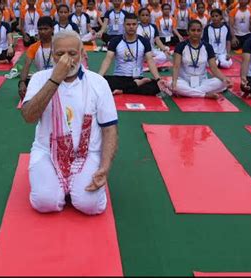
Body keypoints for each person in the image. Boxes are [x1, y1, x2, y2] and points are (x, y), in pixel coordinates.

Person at [21, 30, 118, 215]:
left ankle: (73, 184)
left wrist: (104, 168)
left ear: (82, 54)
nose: (67, 59)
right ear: (52, 55)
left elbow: (109, 129)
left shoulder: (98, 83)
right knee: (44, 203)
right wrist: (55, 79)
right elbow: (29, 117)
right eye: (60, 54)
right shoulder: (40, 78)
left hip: (87, 154)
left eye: (72, 53)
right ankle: (57, 185)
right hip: (48, 153)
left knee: (89, 206)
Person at [99, 13, 167, 95]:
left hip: (137, 76)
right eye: (128, 24)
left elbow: (150, 61)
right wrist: (99, 77)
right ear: (124, 25)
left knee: (156, 86)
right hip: (119, 77)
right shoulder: (115, 41)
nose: (131, 27)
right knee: (103, 82)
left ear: (137, 25)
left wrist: (158, 79)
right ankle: (135, 85)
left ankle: (123, 90)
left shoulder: (144, 41)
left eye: (134, 24)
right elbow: (107, 60)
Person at [171, 20, 232, 98]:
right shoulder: (181, 46)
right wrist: (174, 82)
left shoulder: (208, 47)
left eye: (198, 30)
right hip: (184, 80)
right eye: (193, 30)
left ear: (201, 32)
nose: (196, 33)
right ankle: (204, 94)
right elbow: (176, 66)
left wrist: (224, 79)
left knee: (222, 83)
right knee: (174, 85)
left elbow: (214, 68)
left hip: (202, 81)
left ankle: (190, 93)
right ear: (188, 31)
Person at [18, 16, 54, 99]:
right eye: (40, 29)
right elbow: (26, 66)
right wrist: (22, 82)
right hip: (41, 78)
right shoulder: (33, 47)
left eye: (46, 29)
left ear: (52, 29)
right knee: (24, 84)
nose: (43, 32)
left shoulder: (59, 45)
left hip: (56, 77)